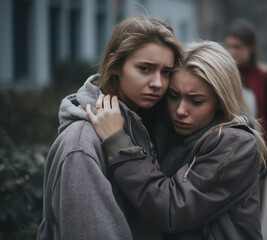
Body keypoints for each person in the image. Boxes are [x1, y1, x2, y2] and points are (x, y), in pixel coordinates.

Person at [87, 41, 267, 239]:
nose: (180, 111)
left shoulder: (235, 143)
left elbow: (172, 210)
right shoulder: (165, 129)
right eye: (173, 96)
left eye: (196, 101)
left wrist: (118, 143)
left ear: (221, 102)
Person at [36, 14, 182, 240]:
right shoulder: (81, 145)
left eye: (166, 72)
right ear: (116, 65)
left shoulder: (149, 123)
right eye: (145, 68)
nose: (158, 83)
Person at [224, 18, 267, 213]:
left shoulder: (265, 77)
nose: (232, 52)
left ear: (251, 48)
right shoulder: (222, 74)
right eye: (229, 46)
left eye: (238, 47)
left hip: (258, 158)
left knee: (252, 218)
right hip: (225, 157)